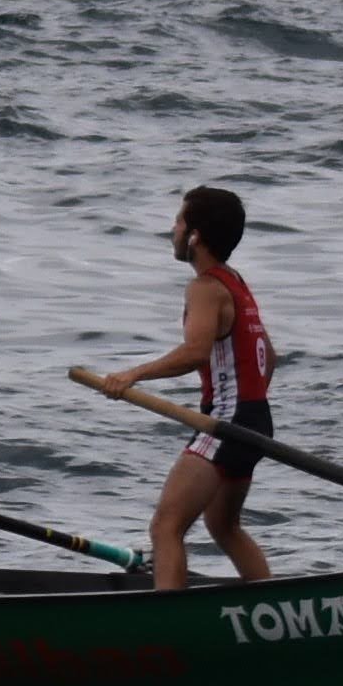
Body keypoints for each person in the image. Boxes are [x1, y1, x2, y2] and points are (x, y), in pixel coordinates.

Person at [79, 186, 274, 589]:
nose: (172, 230)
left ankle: (165, 620)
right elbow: (267, 355)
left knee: (166, 525)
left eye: (179, 221)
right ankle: (276, 606)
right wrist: (242, 401)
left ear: (195, 235)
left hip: (226, 423)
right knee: (223, 525)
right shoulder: (235, 282)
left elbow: (196, 352)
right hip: (256, 421)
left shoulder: (204, 288)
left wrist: (132, 375)